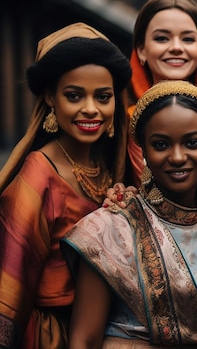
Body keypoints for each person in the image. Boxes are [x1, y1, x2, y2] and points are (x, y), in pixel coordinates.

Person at [62, 80, 197, 348]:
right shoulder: (112, 226)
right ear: (144, 152)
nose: (178, 156)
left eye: (192, 142)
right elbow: (83, 340)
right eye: (161, 145)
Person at [0, 22, 131, 348]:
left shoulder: (113, 167)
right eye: (74, 95)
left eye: (103, 96)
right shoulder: (37, 177)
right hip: (50, 336)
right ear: (50, 97)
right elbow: (9, 286)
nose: (91, 109)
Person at [120, 0, 197, 211]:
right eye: (162, 38)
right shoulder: (121, 123)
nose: (176, 47)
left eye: (187, 39)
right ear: (141, 50)